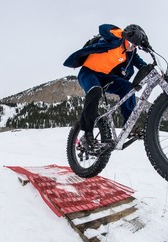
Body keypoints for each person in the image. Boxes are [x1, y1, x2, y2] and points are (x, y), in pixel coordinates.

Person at [63, 24, 150, 154]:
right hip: (88, 73)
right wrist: (123, 34)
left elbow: (143, 66)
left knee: (127, 87)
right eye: (133, 43)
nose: (134, 47)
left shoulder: (130, 54)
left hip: (106, 77)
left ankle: (129, 125)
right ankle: (87, 134)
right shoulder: (115, 39)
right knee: (95, 90)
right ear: (129, 37)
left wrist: (159, 74)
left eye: (136, 46)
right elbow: (103, 28)